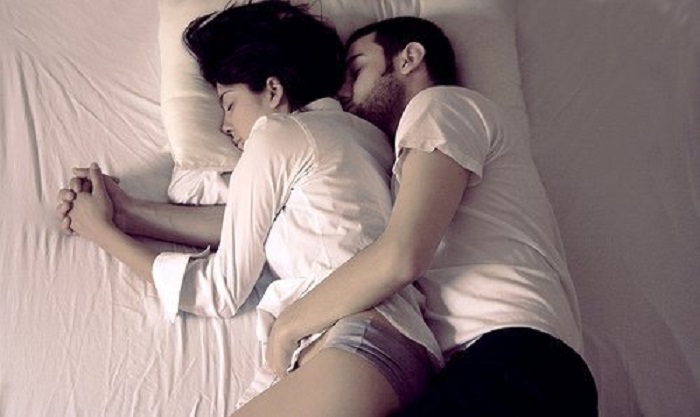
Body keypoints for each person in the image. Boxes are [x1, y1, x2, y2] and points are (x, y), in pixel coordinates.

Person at [56, 3, 442, 416]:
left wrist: (103, 234)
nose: (224, 125)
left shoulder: (277, 135)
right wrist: (126, 212)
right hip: (393, 347)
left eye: (228, 102)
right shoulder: (367, 138)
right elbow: (258, 222)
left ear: (273, 91)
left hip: (357, 346)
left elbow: (220, 290)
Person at [265, 16, 599, 416]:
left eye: (357, 69)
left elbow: (401, 255)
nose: (344, 91)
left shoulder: (440, 105)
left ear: (409, 57)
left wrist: (289, 325)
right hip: (494, 369)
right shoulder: (406, 156)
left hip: (519, 362)